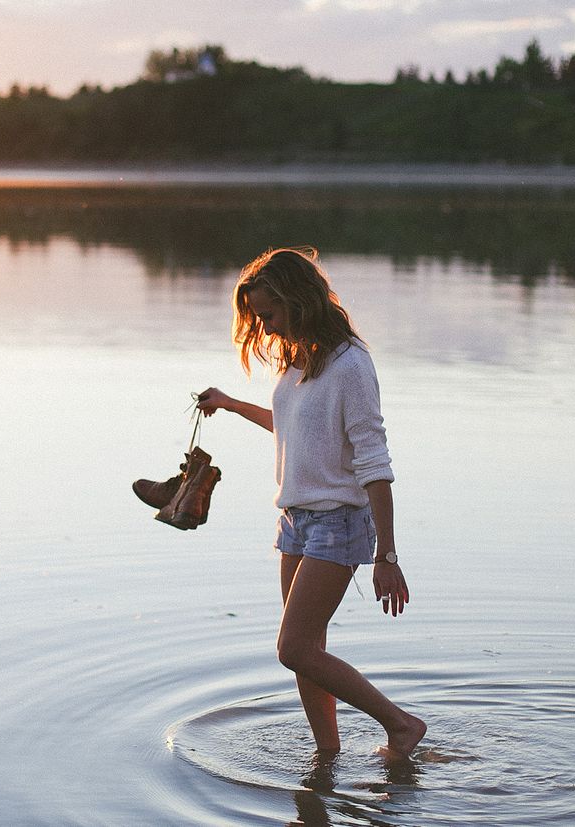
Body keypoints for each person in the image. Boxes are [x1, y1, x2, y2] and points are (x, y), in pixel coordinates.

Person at [196, 247, 426, 759]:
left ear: (297, 301)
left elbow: (374, 461)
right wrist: (232, 405)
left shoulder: (350, 364)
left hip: (339, 522)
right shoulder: (299, 360)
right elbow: (298, 429)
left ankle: (401, 725)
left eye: (269, 314)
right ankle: (327, 756)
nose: (266, 327)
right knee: (307, 653)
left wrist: (386, 554)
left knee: (293, 648)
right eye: (259, 318)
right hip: (296, 521)